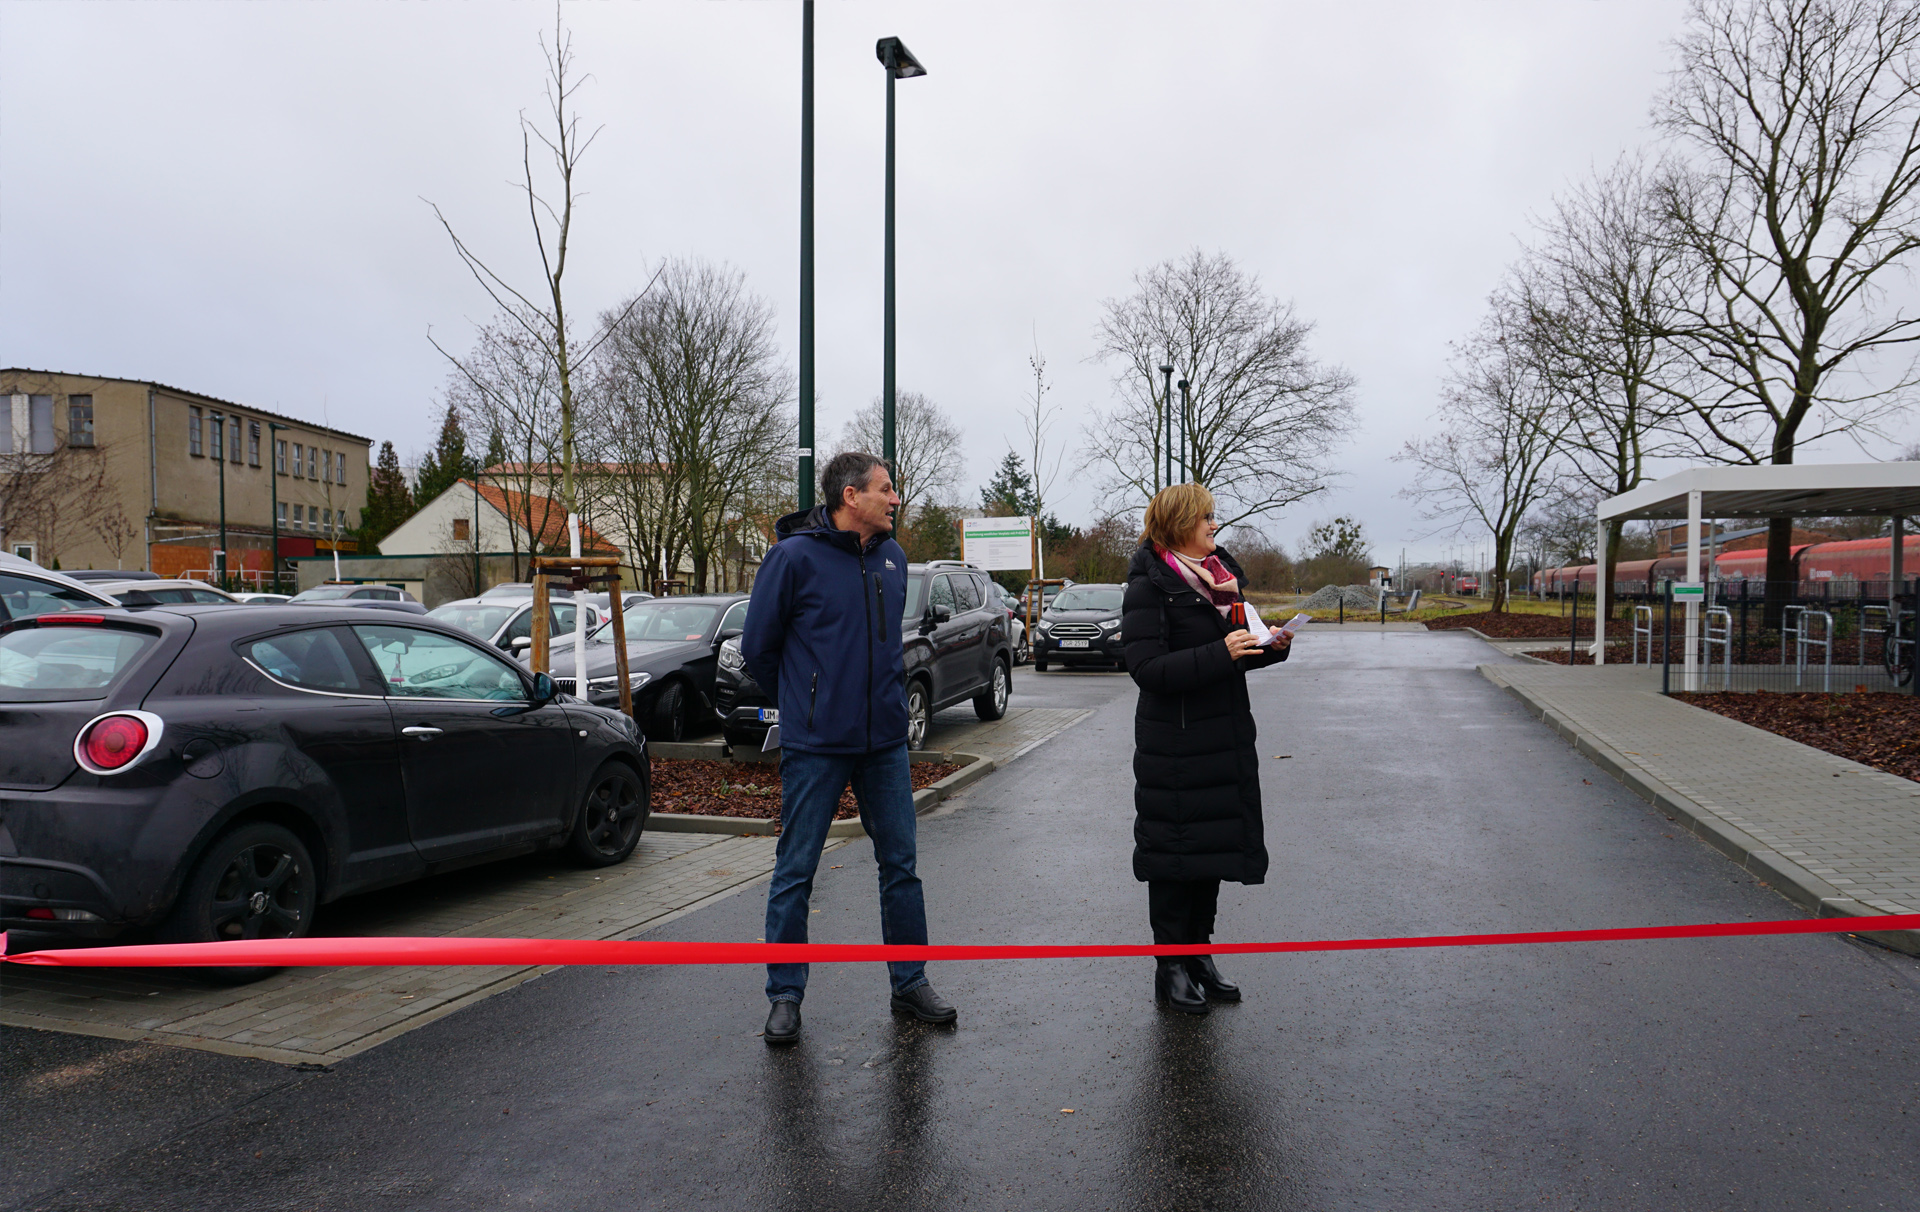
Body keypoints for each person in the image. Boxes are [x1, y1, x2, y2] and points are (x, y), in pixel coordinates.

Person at [742, 451, 958, 1045]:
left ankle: (910, 981)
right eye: (886, 489)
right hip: (816, 744)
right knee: (796, 871)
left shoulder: (893, 557)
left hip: (884, 742)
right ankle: (785, 995)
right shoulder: (792, 558)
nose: (895, 499)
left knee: (901, 867)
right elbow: (759, 648)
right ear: (850, 497)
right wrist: (805, 704)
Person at [1121, 482, 1291, 1015]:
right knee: (1174, 857)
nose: (1215, 525)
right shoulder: (1149, 585)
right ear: (1178, 525)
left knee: (1209, 852)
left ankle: (1199, 955)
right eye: (1205, 517)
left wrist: (1271, 646)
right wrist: (1221, 652)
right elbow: (1146, 668)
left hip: (1223, 737)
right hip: (1174, 746)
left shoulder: (1221, 579)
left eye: (1213, 516)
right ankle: (1170, 967)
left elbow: (1238, 651)